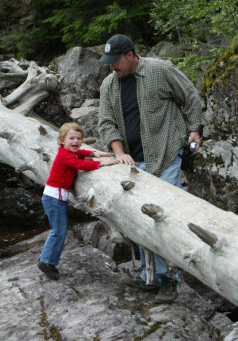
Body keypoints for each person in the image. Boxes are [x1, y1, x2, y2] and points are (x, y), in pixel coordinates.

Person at [98, 34, 203, 304]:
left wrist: (195, 130)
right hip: (132, 163)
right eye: (108, 62)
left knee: (163, 218)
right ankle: (149, 278)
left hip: (165, 155)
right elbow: (106, 123)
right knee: (141, 220)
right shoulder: (109, 85)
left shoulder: (161, 70)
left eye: (115, 61)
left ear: (131, 54)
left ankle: (169, 279)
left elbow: (190, 96)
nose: (111, 67)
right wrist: (120, 154)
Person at [37, 122, 118, 280]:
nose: (75, 141)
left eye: (79, 138)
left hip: (56, 197)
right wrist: (101, 163)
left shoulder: (68, 152)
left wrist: (93, 153)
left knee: (59, 230)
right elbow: (79, 164)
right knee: (58, 231)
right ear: (62, 140)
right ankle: (46, 262)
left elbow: (79, 154)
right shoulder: (64, 155)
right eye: (71, 138)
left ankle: (48, 260)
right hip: (54, 198)